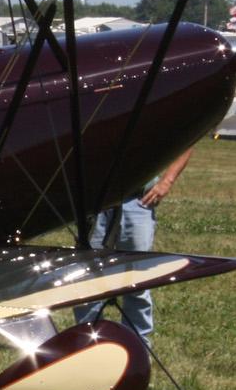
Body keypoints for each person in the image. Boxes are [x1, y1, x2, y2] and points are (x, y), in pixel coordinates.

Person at [74, 148, 192, 347]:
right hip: (96, 198)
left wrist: (167, 181)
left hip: (138, 201)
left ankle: (137, 344)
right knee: (89, 275)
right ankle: (87, 343)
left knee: (137, 278)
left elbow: (188, 141)